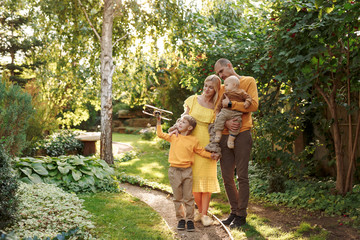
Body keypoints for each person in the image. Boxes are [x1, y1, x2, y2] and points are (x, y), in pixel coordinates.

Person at [170, 74, 222, 227]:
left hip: (208, 145)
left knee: (206, 181)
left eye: (211, 87)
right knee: (193, 181)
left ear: (216, 89)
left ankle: (204, 214)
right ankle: (199, 211)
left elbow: (218, 126)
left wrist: (217, 148)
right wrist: (175, 128)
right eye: (206, 85)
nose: (207, 89)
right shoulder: (193, 99)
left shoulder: (216, 106)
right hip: (191, 145)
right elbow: (183, 118)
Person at [214, 58, 259, 229]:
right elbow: (216, 110)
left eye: (221, 71)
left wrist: (232, 104)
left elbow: (253, 105)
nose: (220, 76)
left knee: (242, 176)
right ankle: (234, 211)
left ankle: (242, 214)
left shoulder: (248, 81)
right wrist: (225, 123)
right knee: (226, 176)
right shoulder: (223, 88)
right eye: (218, 74)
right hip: (225, 135)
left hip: (242, 133)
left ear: (229, 66)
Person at [156, 113, 219, 232]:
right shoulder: (173, 136)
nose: (179, 123)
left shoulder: (193, 140)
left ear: (190, 128)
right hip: (174, 171)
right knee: (177, 197)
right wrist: (159, 121)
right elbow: (160, 134)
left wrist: (211, 155)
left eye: (183, 122)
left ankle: (190, 220)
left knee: (189, 198)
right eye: (179, 121)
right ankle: (181, 219)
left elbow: (200, 151)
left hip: (187, 171)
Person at [213, 75, 252, 149]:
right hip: (225, 111)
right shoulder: (225, 94)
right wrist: (218, 111)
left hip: (236, 114)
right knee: (219, 118)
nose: (225, 87)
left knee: (237, 124)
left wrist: (247, 102)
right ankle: (218, 133)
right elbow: (219, 105)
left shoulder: (241, 92)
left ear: (234, 85)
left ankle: (231, 139)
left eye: (226, 85)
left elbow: (248, 97)